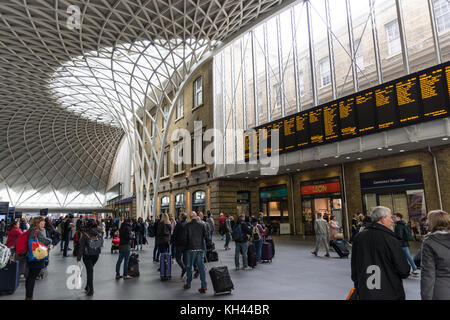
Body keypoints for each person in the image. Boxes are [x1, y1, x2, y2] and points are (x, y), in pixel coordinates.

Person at [351, 206, 410, 300]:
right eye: (390, 217)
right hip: (390, 292)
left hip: (366, 292)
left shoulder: (359, 237)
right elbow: (404, 270)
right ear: (382, 219)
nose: (392, 221)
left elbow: (354, 267)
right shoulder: (391, 239)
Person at [420, 210, 450, 300]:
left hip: (442, 289)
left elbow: (428, 273)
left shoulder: (429, 242)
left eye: (428, 220)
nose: (426, 222)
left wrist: (426, 297)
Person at [183, 211, 211, 293]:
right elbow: (206, 236)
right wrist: (210, 245)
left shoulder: (187, 226)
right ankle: (204, 285)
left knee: (189, 267)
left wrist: (184, 247)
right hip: (200, 248)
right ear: (196, 216)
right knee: (201, 267)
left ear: (190, 217)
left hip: (190, 249)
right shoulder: (202, 225)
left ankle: (188, 283)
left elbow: (185, 239)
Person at [25, 216, 51, 300]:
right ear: (38, 223)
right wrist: (50, 240)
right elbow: (46, 241)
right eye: (42, 222)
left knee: (30, 277)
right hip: (37, 256)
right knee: (32, 277)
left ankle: (28, 296)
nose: (44, 223)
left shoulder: (31, 229)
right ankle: (29, 296)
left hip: (31, 255)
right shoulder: (37, 231)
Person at [77, 219, 103, 296]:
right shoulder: (99, 232)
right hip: (96, 254)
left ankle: (91, 290)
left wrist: (78, 258)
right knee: (90, 270)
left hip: (87, 255)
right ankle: (87, 286)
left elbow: (81, 247)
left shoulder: (84, 234)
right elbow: (101, 243)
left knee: (90, 271)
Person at [172, 212, 188, 279]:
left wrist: (172, 241)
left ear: (181, 217)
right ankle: (184, 273)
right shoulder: (187, 224)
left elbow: (174, 234)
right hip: (186, 244)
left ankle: (183, 268)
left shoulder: (178, 224)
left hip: (179, 244)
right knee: (185, 259)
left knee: (178, 258)